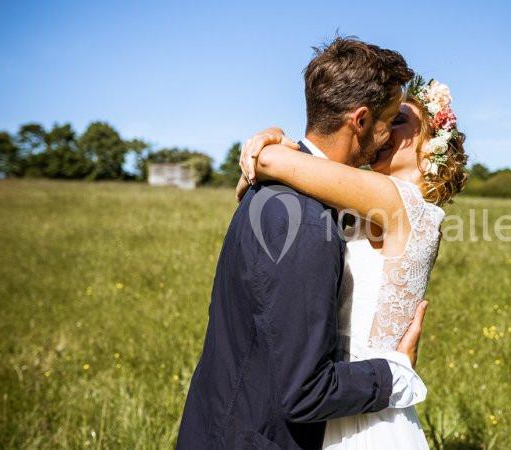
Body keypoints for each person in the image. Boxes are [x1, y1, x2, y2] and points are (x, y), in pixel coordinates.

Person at [176, 37, 427, 450]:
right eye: (387, 120)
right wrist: (397, 372)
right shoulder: (307, 223)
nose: (387, 137)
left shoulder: (275, 187)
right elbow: (305, 390)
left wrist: (270, 143)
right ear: (360, 120)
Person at [236, 75, 468, 449]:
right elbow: (254, 184)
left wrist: (269, 140)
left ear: (428, 147)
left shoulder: (406, 207)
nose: (381, 127)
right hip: (333, 391)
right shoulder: (369, 203)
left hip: (365, 403)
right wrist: (272, 141)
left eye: (397, 121)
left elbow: (270, 162)